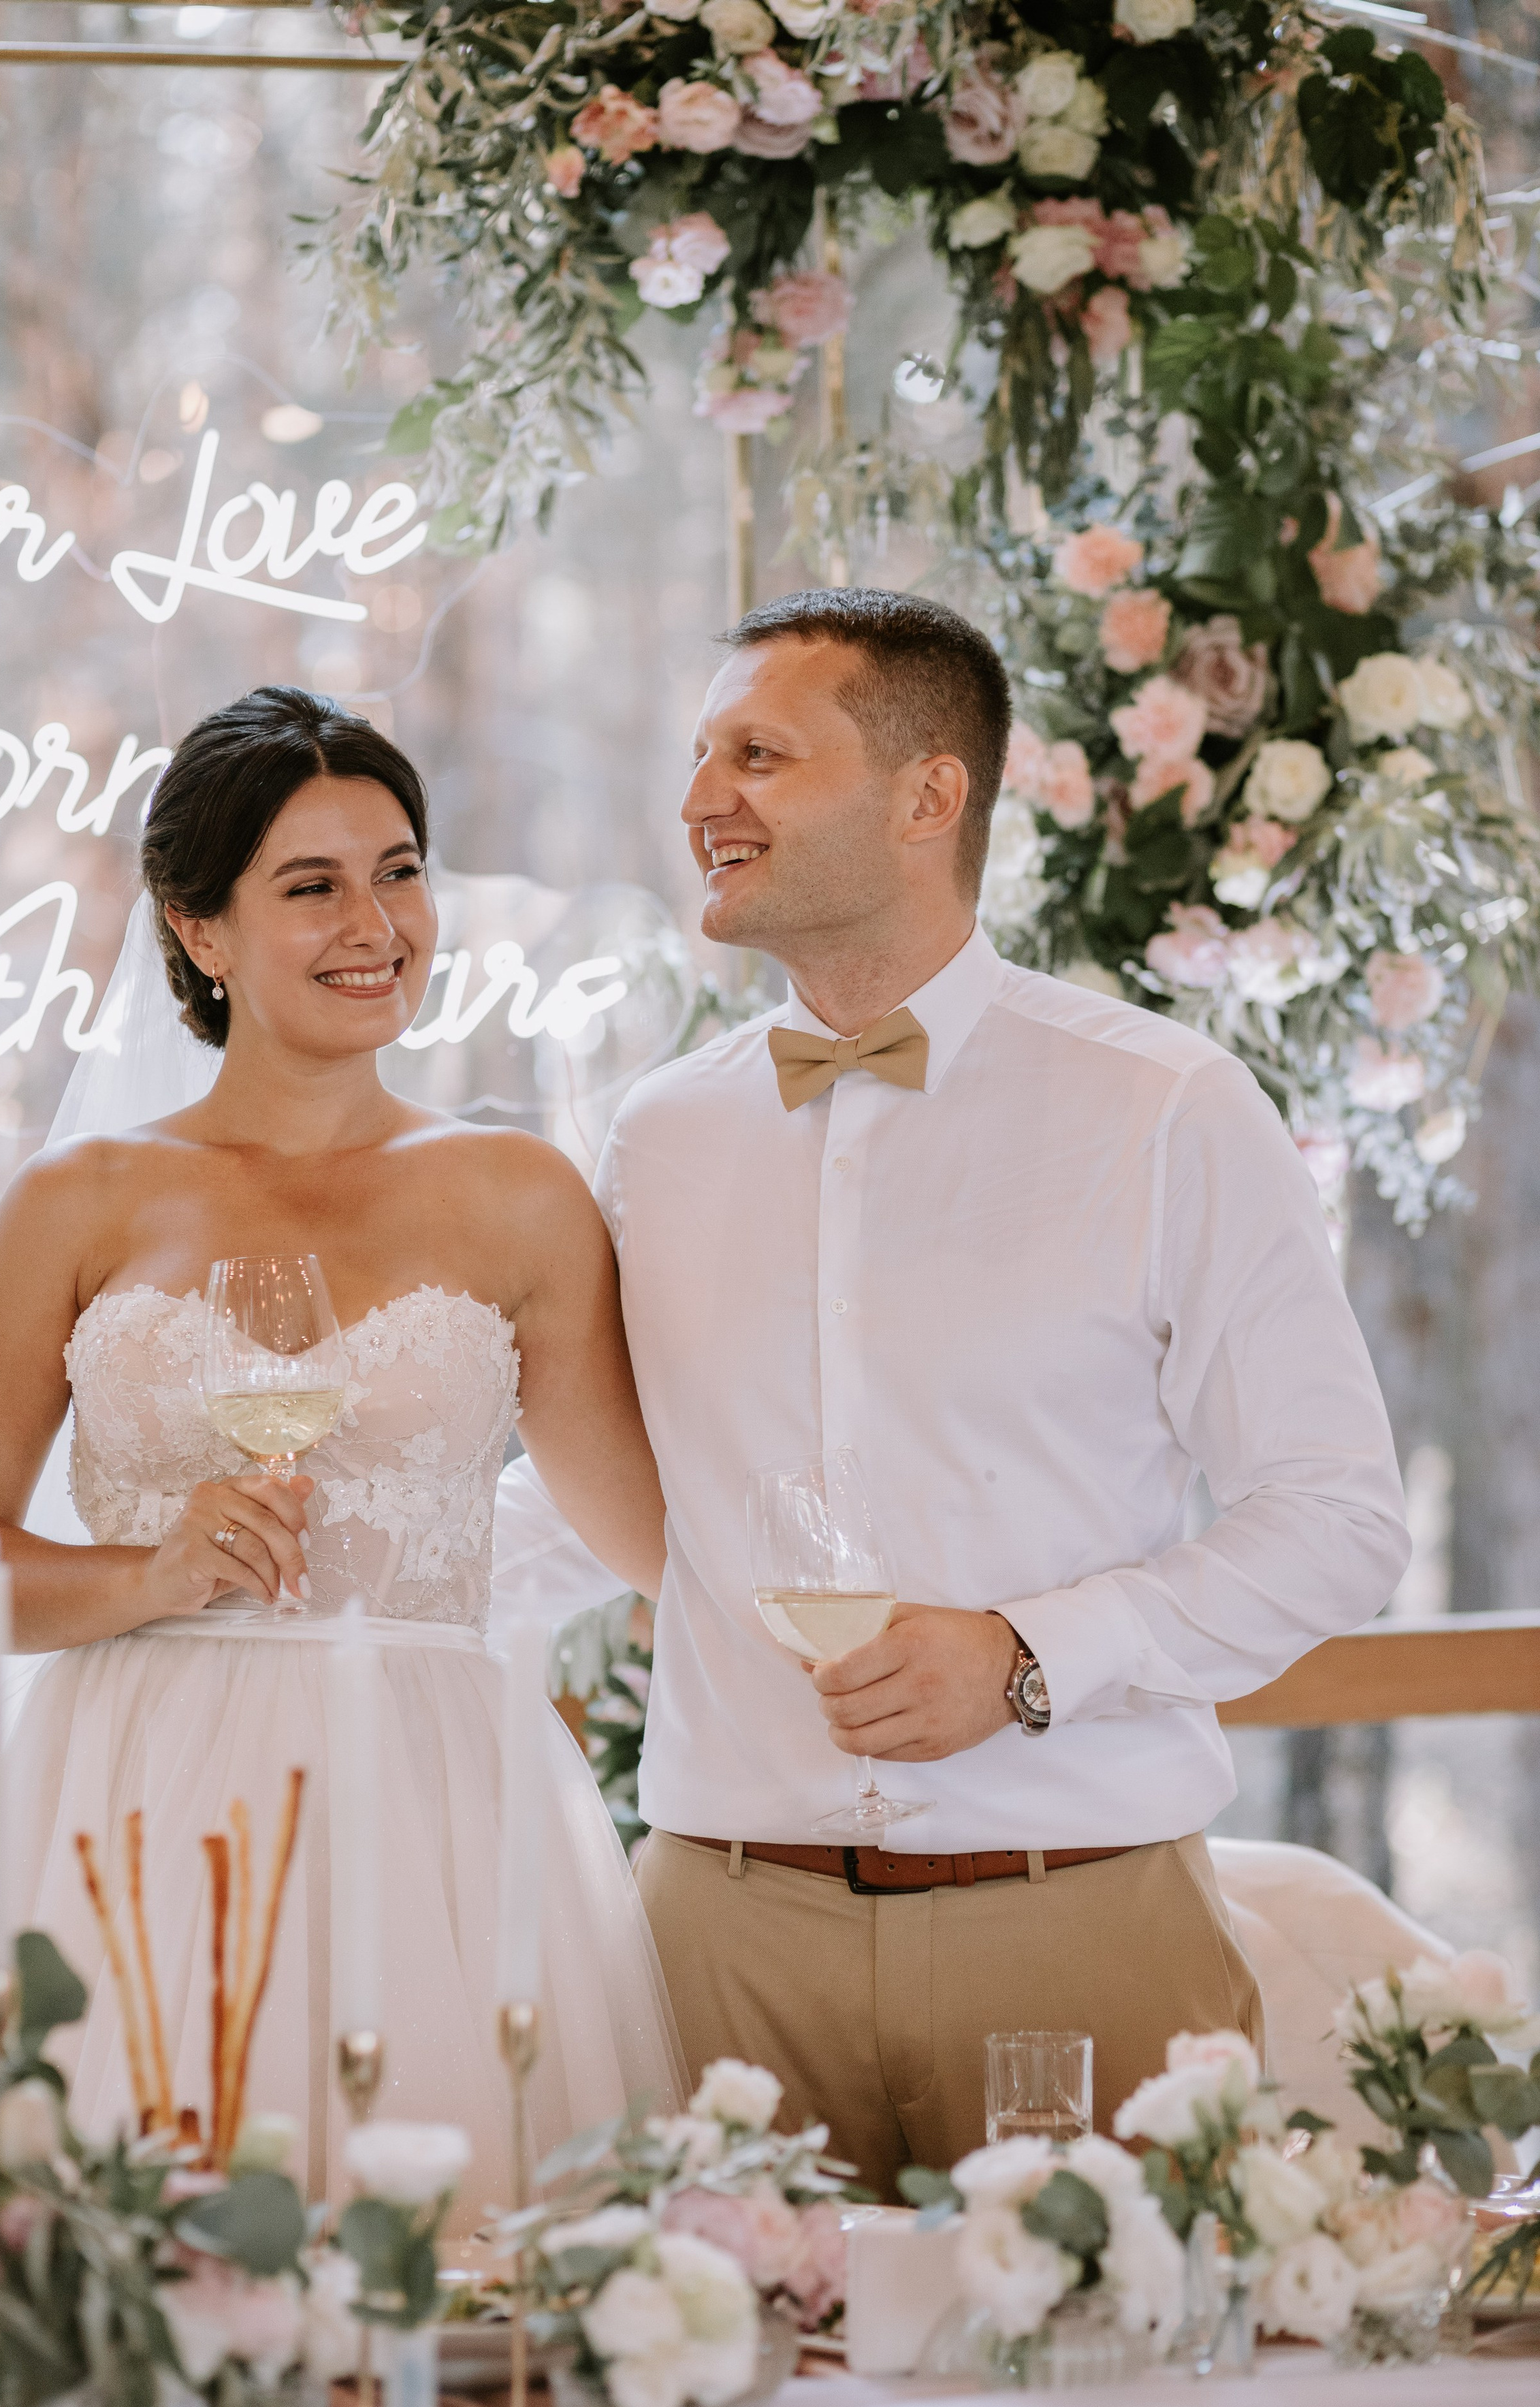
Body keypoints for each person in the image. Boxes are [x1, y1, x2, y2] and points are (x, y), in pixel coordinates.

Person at [494, 588, 1411, 2197]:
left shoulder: (1163, 1110)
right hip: (714, 1942)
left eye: (759, 756)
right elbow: (591, 1498)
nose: (701, 800)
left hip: (1079, 1926)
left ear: (929, 797)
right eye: (700, 755)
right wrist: (308, 1612)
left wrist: (1027, 1659)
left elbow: (1333, 1521)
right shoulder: (655, 1136)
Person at [0, 686, 684, 2208]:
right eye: (310, 886)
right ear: (198, 930)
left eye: (399, 869)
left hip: (438, 1798)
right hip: (141, 1787)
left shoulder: (520, 1192)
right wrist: (151, 1571)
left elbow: (648, 1537)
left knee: (462, 2281)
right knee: (153, 2249)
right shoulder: (83, 1198)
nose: (374, 921)